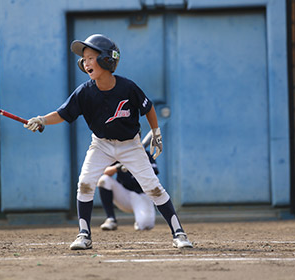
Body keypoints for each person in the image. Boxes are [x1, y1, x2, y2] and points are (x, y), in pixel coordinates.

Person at [24, 34, 193, 250]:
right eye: (83, 59)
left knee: (154, 188)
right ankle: (84, 234)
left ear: (106, 60)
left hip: (130, 144)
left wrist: (156, 132)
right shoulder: (84, 92)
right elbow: (62, 113)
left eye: (91, 57)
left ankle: (178, 232)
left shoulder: (127, 87)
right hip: (101, 144)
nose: (85, 62)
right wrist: (41, 120)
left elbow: (148, 107)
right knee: (85, 183)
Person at [98, 149, 158, 231]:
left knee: (145, 225)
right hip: (125, 194)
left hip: (142, 195)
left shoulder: (146, 154)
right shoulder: (119, 154)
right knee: (104, 180)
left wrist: (137, 163)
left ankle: (140, 220)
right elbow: (106, 172)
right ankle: (111, 219)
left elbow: (154, 173)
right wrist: (118, 166)